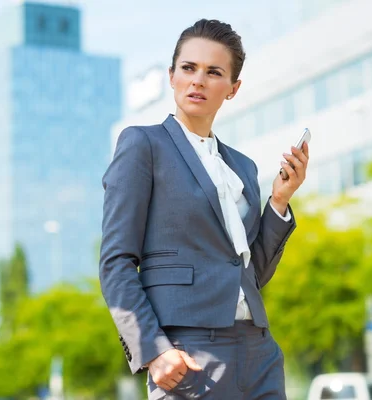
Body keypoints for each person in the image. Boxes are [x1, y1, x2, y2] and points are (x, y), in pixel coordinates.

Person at [99, 18, 309, 399]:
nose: (198, 80)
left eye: (214, 72)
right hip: (190, 356)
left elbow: (250, 274)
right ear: (171, 76)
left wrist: (279, 201)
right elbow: (115, 262)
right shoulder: (143, 145)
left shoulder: (243, 167)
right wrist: (153, 351)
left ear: (233, 89)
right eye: (188, 68)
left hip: (259, 352)